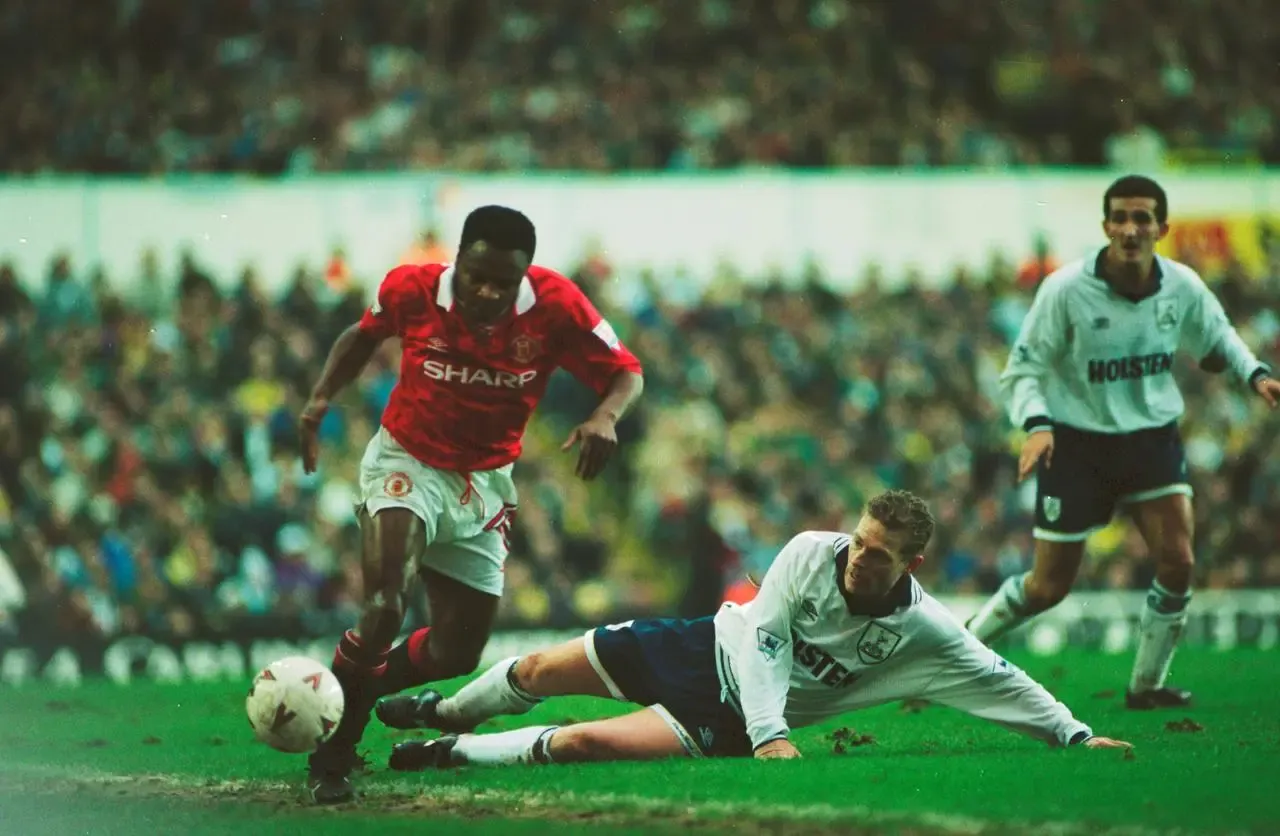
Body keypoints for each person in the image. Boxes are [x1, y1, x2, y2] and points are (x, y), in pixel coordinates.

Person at [375, 490, 1129, 770]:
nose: (858, 557)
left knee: (583, 743)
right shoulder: (809, 553)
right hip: (701, 644)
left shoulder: (923, 631)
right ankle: (443, 708)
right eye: (859, 540)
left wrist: (1073, 734)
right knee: (538, 669)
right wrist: (776, 734)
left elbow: (996, 677)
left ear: (912, 562)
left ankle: (447, 751)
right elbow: (764, 636)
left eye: (878, 554)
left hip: (725, 719)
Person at [298, 205, 644, 802]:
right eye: (475, 275)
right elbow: (364, 335)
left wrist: (605, 416)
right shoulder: (412, 289)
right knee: (385, 604)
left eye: (503, 283)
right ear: (457, 258)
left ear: (525, 276)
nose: (486, 291)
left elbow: (626, 371)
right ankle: (335, 752)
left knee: (457, 651)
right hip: (406, 462)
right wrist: (321, 397)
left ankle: (349, 686)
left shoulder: (558, 306)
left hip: (483, 482)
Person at [966, 175, 1278, 709]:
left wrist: (1254, 374)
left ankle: (1146, 686)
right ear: (1106, 225)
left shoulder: (1181, 285)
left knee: (1178, 559)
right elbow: (1024, 368)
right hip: (1076, 445)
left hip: (1149, 440)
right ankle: (958, 650)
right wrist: (1038, 425)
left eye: (1142, 218)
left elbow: (1219, 335)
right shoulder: (1065, 289)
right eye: (1121, 218)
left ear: (1162, 227)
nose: (1131, 229)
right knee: (1047, 588)